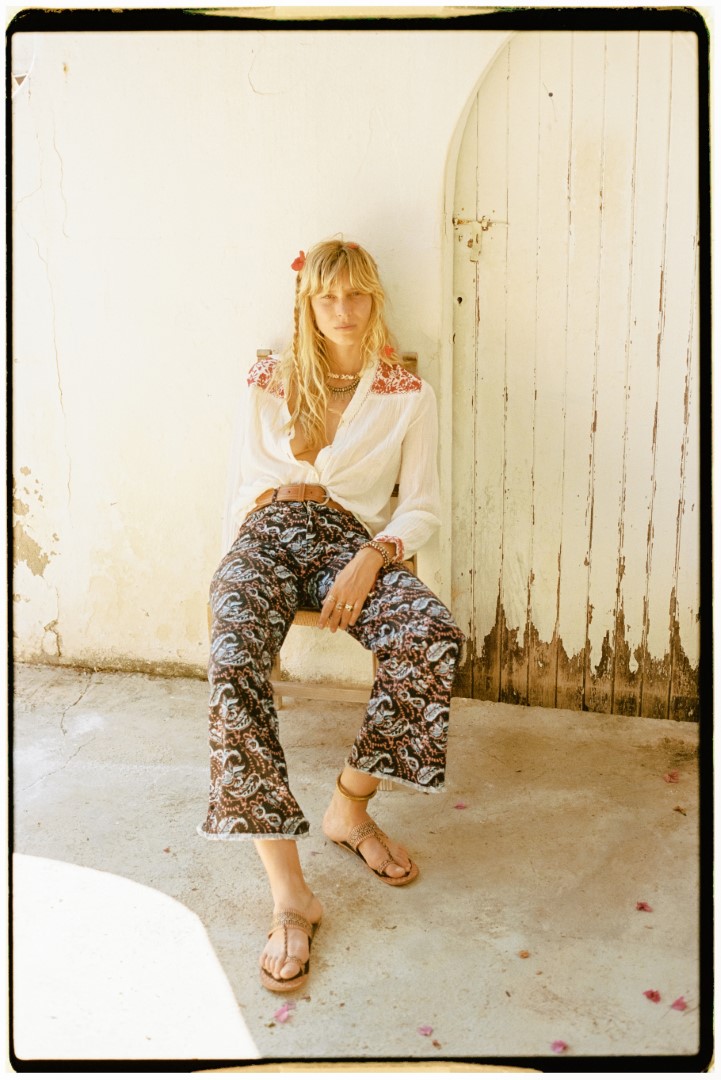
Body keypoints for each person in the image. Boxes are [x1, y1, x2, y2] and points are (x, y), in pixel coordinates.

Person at [198, 238, 465, 993]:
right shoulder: (268, 380)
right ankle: (291, 898)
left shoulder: (406, 393)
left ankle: (349, 809)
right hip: (263, 534)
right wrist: (240, 572)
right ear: (306, 305)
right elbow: (236, 484)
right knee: (232, 663)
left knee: (430, 634)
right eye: (326, 297)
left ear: (374, 297)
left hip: (349, 543)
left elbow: (422, 504)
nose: (342, 310)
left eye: (355, 294)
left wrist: (374, 553)